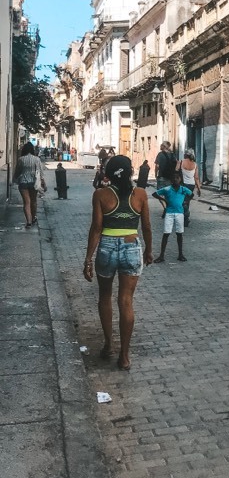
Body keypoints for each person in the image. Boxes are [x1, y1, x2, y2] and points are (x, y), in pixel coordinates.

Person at [83, 155, 153, 370]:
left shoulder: (101, 195)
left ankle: (108, 345)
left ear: (108, 174)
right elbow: (147, 227)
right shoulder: (140, 194)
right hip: (132, 247)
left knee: (105, 296)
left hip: (106, 248)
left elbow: (96, 228)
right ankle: (124, 356)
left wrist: (88, 259)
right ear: (131, 171)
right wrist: (149, 251)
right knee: (126, 301)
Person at [152, 171, 192, 262]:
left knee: (179, 234)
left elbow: (191, 194)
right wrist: (163, 200)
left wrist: (186, 201)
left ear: (180, 179)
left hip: (179, 213)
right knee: (166, 233)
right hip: (169, 213)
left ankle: (180, 254)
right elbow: (154, 194)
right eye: (173, 178)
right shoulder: (167, 189)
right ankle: (161, 256)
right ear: (171, 180)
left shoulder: (183, 189)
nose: (175, 179)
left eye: (177, 178)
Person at [13, 141, 47, 228]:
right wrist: (44, 184)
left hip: (23, 183)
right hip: (34, 183)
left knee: (26, 202)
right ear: (32, 150)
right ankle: (33, 217)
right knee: (34, 201)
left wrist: (14, 181)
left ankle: (28, 221)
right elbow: (41, 173)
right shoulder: (37, 159)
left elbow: (17, 172)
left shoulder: (21, 159)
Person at [177, 148, 201, 226]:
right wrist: (199, 188)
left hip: (183, 184)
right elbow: (196, 177)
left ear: (186, 154)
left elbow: (176, 171)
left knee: (182, 201)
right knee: (187, 201)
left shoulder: (181, 162)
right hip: (191, 185)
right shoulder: (195, 164)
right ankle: (186, 217)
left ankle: (185, 216)